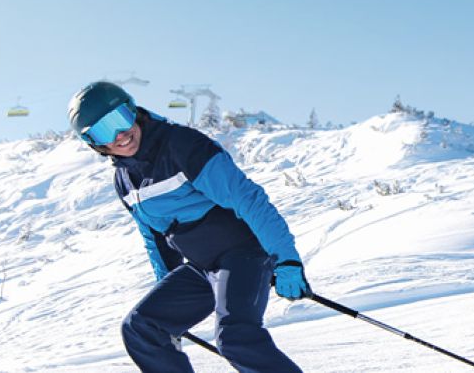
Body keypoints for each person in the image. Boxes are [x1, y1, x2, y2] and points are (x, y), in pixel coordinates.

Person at [68, 81, 311, 373]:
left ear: (133, 111)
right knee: (142, 328)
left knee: (236, 338)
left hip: (242, 253)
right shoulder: (125, 182)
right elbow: (155, 236)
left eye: (120, 119)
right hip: (202, 266)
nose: (120, 135)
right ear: (94, 143)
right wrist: (168, 298)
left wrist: (286, 258)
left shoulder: (182, 145)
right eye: (103, 131)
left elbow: (248, 199)